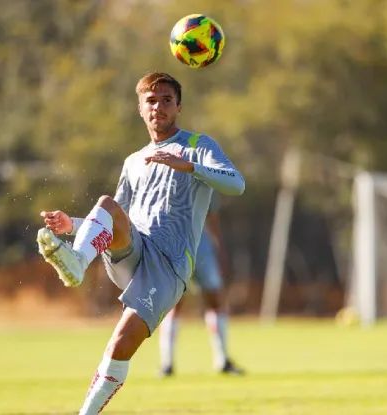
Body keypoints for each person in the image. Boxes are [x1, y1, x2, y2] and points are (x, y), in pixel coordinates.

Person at [37, 72, 245, 414]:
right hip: (135, 251)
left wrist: (190, 166)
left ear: (179, 107)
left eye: (166, 100)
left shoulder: (199, 145)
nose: (158, 107)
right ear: (140, 108)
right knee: (107, 203)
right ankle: (76, 261)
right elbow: (117, 218)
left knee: (120, 343)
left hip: (168, 268)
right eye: (151, 101)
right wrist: (72, 224)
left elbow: (236, 184)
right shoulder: (133, 161)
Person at [159, 192, 245, 377]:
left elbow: (212, 216)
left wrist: (219, 248)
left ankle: (222, 360)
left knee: (215, 300)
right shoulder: (163, 179)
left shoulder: (201, 178)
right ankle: (167, 363)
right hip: (173, 246)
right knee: (175, 303)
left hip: (201, 247)